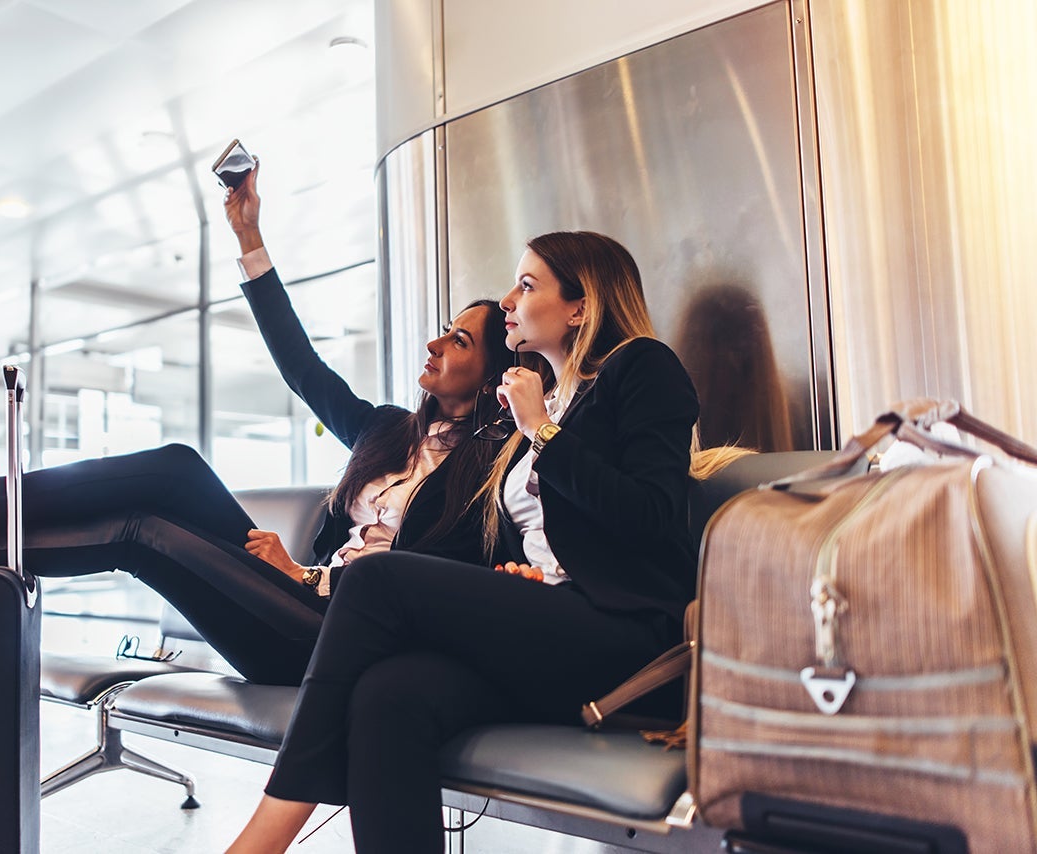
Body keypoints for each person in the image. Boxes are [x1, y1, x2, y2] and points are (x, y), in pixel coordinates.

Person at [0, 164, 517, 686]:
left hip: (335, 632)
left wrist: (310, 575)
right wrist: (249, 238)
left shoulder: (492, 475)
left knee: (139, 530)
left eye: (458, 340)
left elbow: (441, 584)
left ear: (491, 373)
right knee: (176, 468)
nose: (434, 342)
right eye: (441, 328)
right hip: (282, 593)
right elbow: (300, 366)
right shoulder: (388, 431)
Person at [227, 230, 731, 853]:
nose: (509, 299)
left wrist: (542, 430)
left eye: (527, 284)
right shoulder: (541, 407)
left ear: (579, 307)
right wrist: (520, 573)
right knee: (391, 695)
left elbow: (651, 517)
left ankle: (265, 836)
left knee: (375, 578)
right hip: (553, 625)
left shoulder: (639, 366)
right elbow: (544, 533)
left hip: (624, 635)